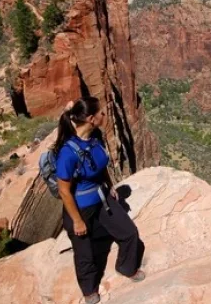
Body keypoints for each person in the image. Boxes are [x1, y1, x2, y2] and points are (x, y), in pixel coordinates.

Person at [54, 97, 145, 304]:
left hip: (102, 198)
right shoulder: (68, 153)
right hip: (80, 209)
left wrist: (110, 184)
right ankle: (89, 290)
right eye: (101, 113)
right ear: (91, 118)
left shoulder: (95, 137)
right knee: (85, 254)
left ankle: (126, 267)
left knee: (129, 232)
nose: (104, 115)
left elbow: (100, 164)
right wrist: (77, 221)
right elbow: (64, 191)